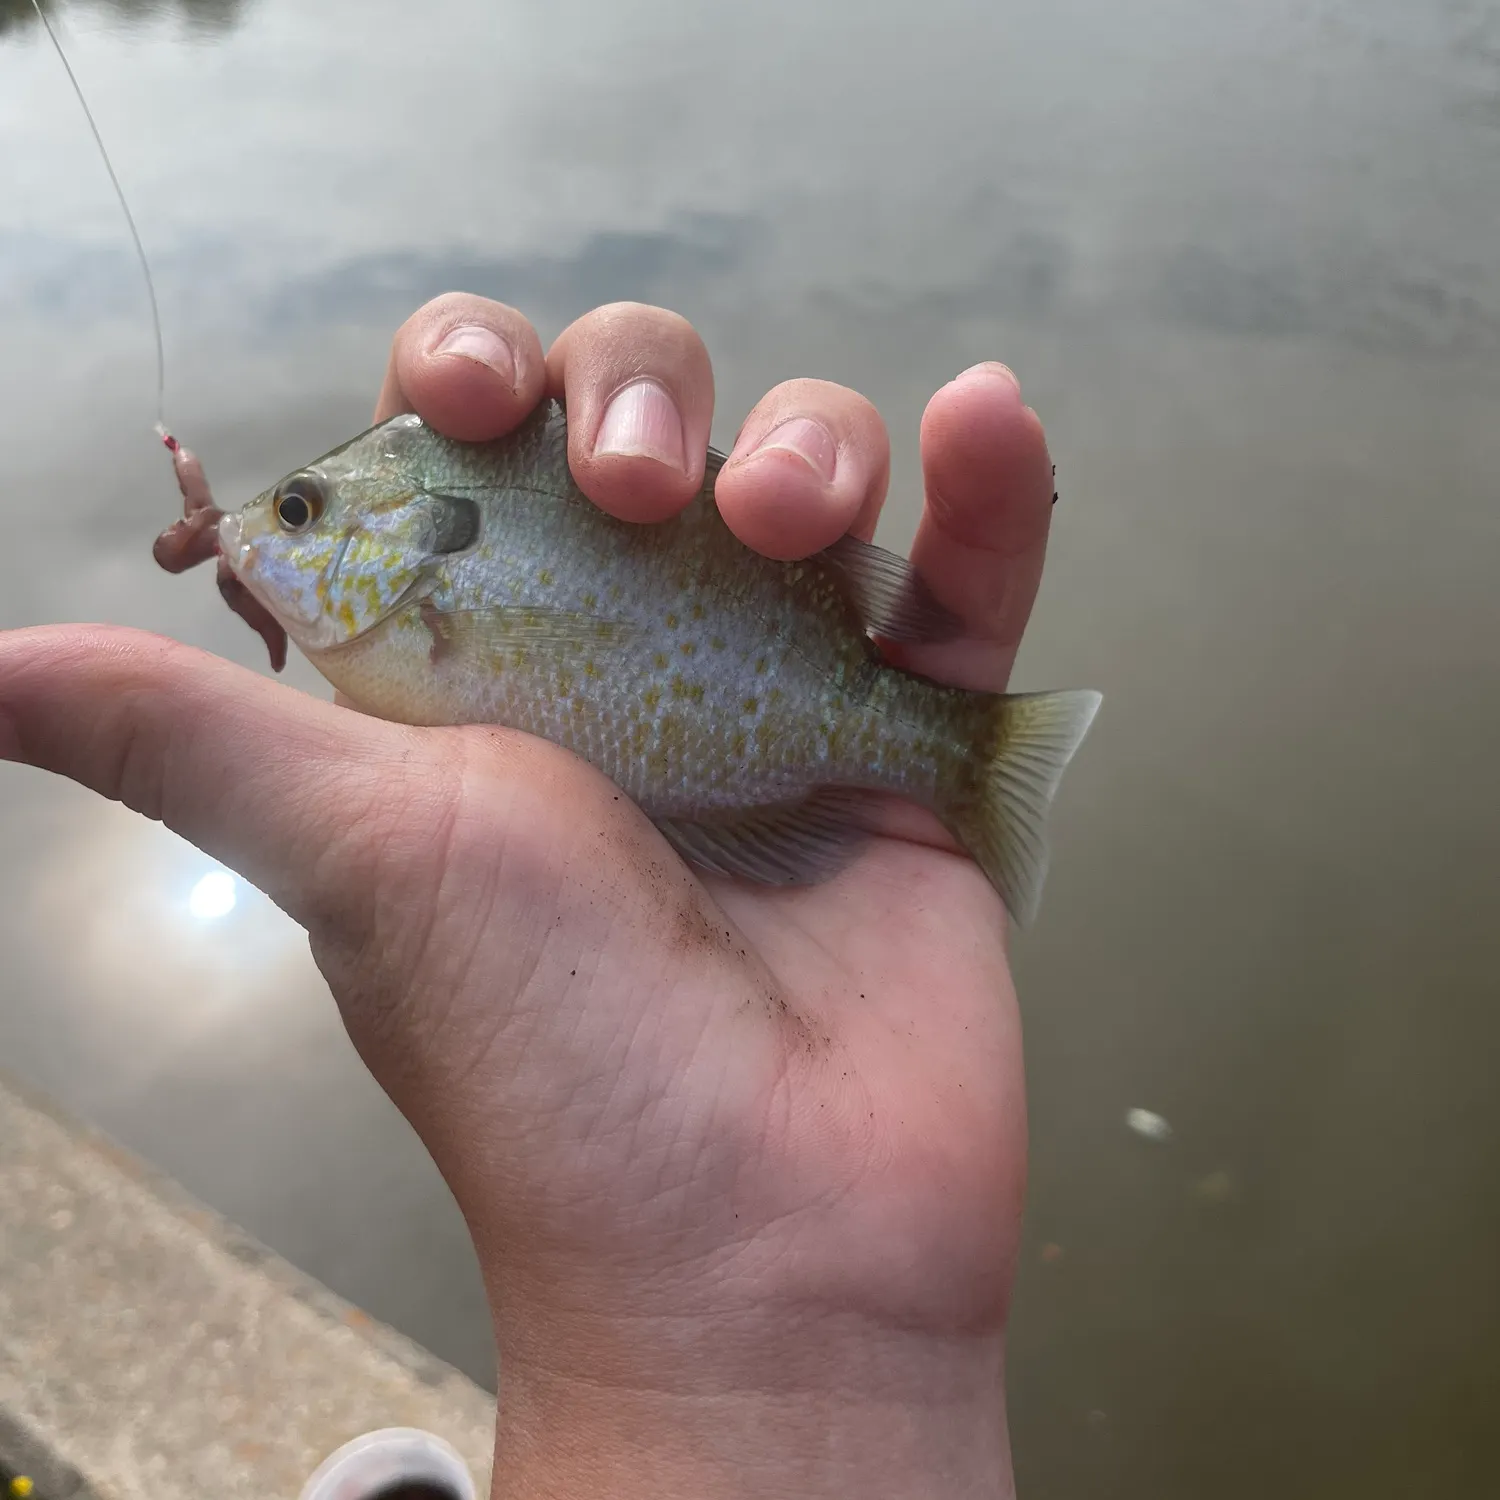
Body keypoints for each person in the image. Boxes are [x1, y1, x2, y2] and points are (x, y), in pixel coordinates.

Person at [0, 294, 1059, 1499]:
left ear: (406, 535)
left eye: (300, 513)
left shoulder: (412, 615)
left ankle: (965, 754)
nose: (263, 533)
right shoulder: (403, 648)